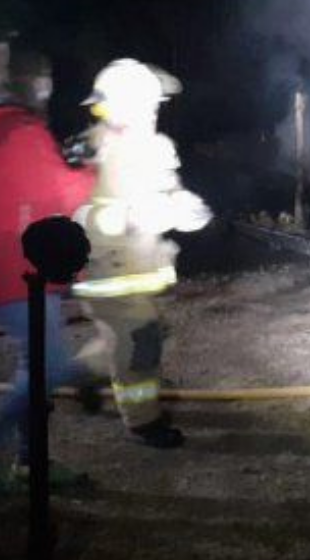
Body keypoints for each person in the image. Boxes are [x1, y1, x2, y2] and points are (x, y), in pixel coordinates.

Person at [0, 36, 98, 486]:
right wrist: (94, 168)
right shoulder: (22, 131)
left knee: (36, 366)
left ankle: (30, 460)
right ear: (32, 81)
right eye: (46, 79)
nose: (50, 86)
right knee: (49, 367)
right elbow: (62, 194)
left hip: (2, 264)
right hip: (20, 268)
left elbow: (26, 190)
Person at [71, 59, 211, 448]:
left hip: (139, 267)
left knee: (131, 338)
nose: (153, 113)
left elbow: (165, 191)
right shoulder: (95, 150)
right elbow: (84, 212)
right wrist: (143, 213)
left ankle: (80, 373)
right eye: (147, 106)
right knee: (138, 345)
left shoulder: (151, 146)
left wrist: (185, 206)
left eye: (155, 106)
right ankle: (143, 422)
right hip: (110, 273)